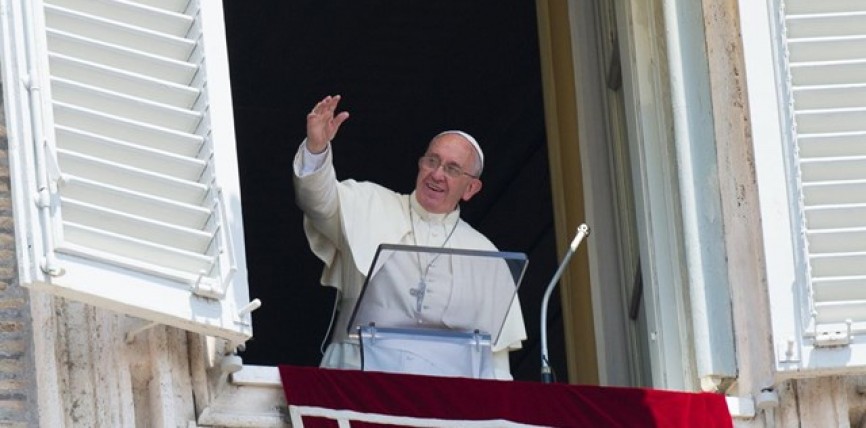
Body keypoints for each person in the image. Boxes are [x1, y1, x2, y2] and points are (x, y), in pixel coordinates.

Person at [292, 95, 526, 379]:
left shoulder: (485, 253)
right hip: (356, 374)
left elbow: (494, 361)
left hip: (443, 395)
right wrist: (317, 148)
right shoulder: (369, 203)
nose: (437, 174)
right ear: (420, 164)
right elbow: (318, 202)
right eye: (432, 161)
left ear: (471, 188)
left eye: (452, 169)